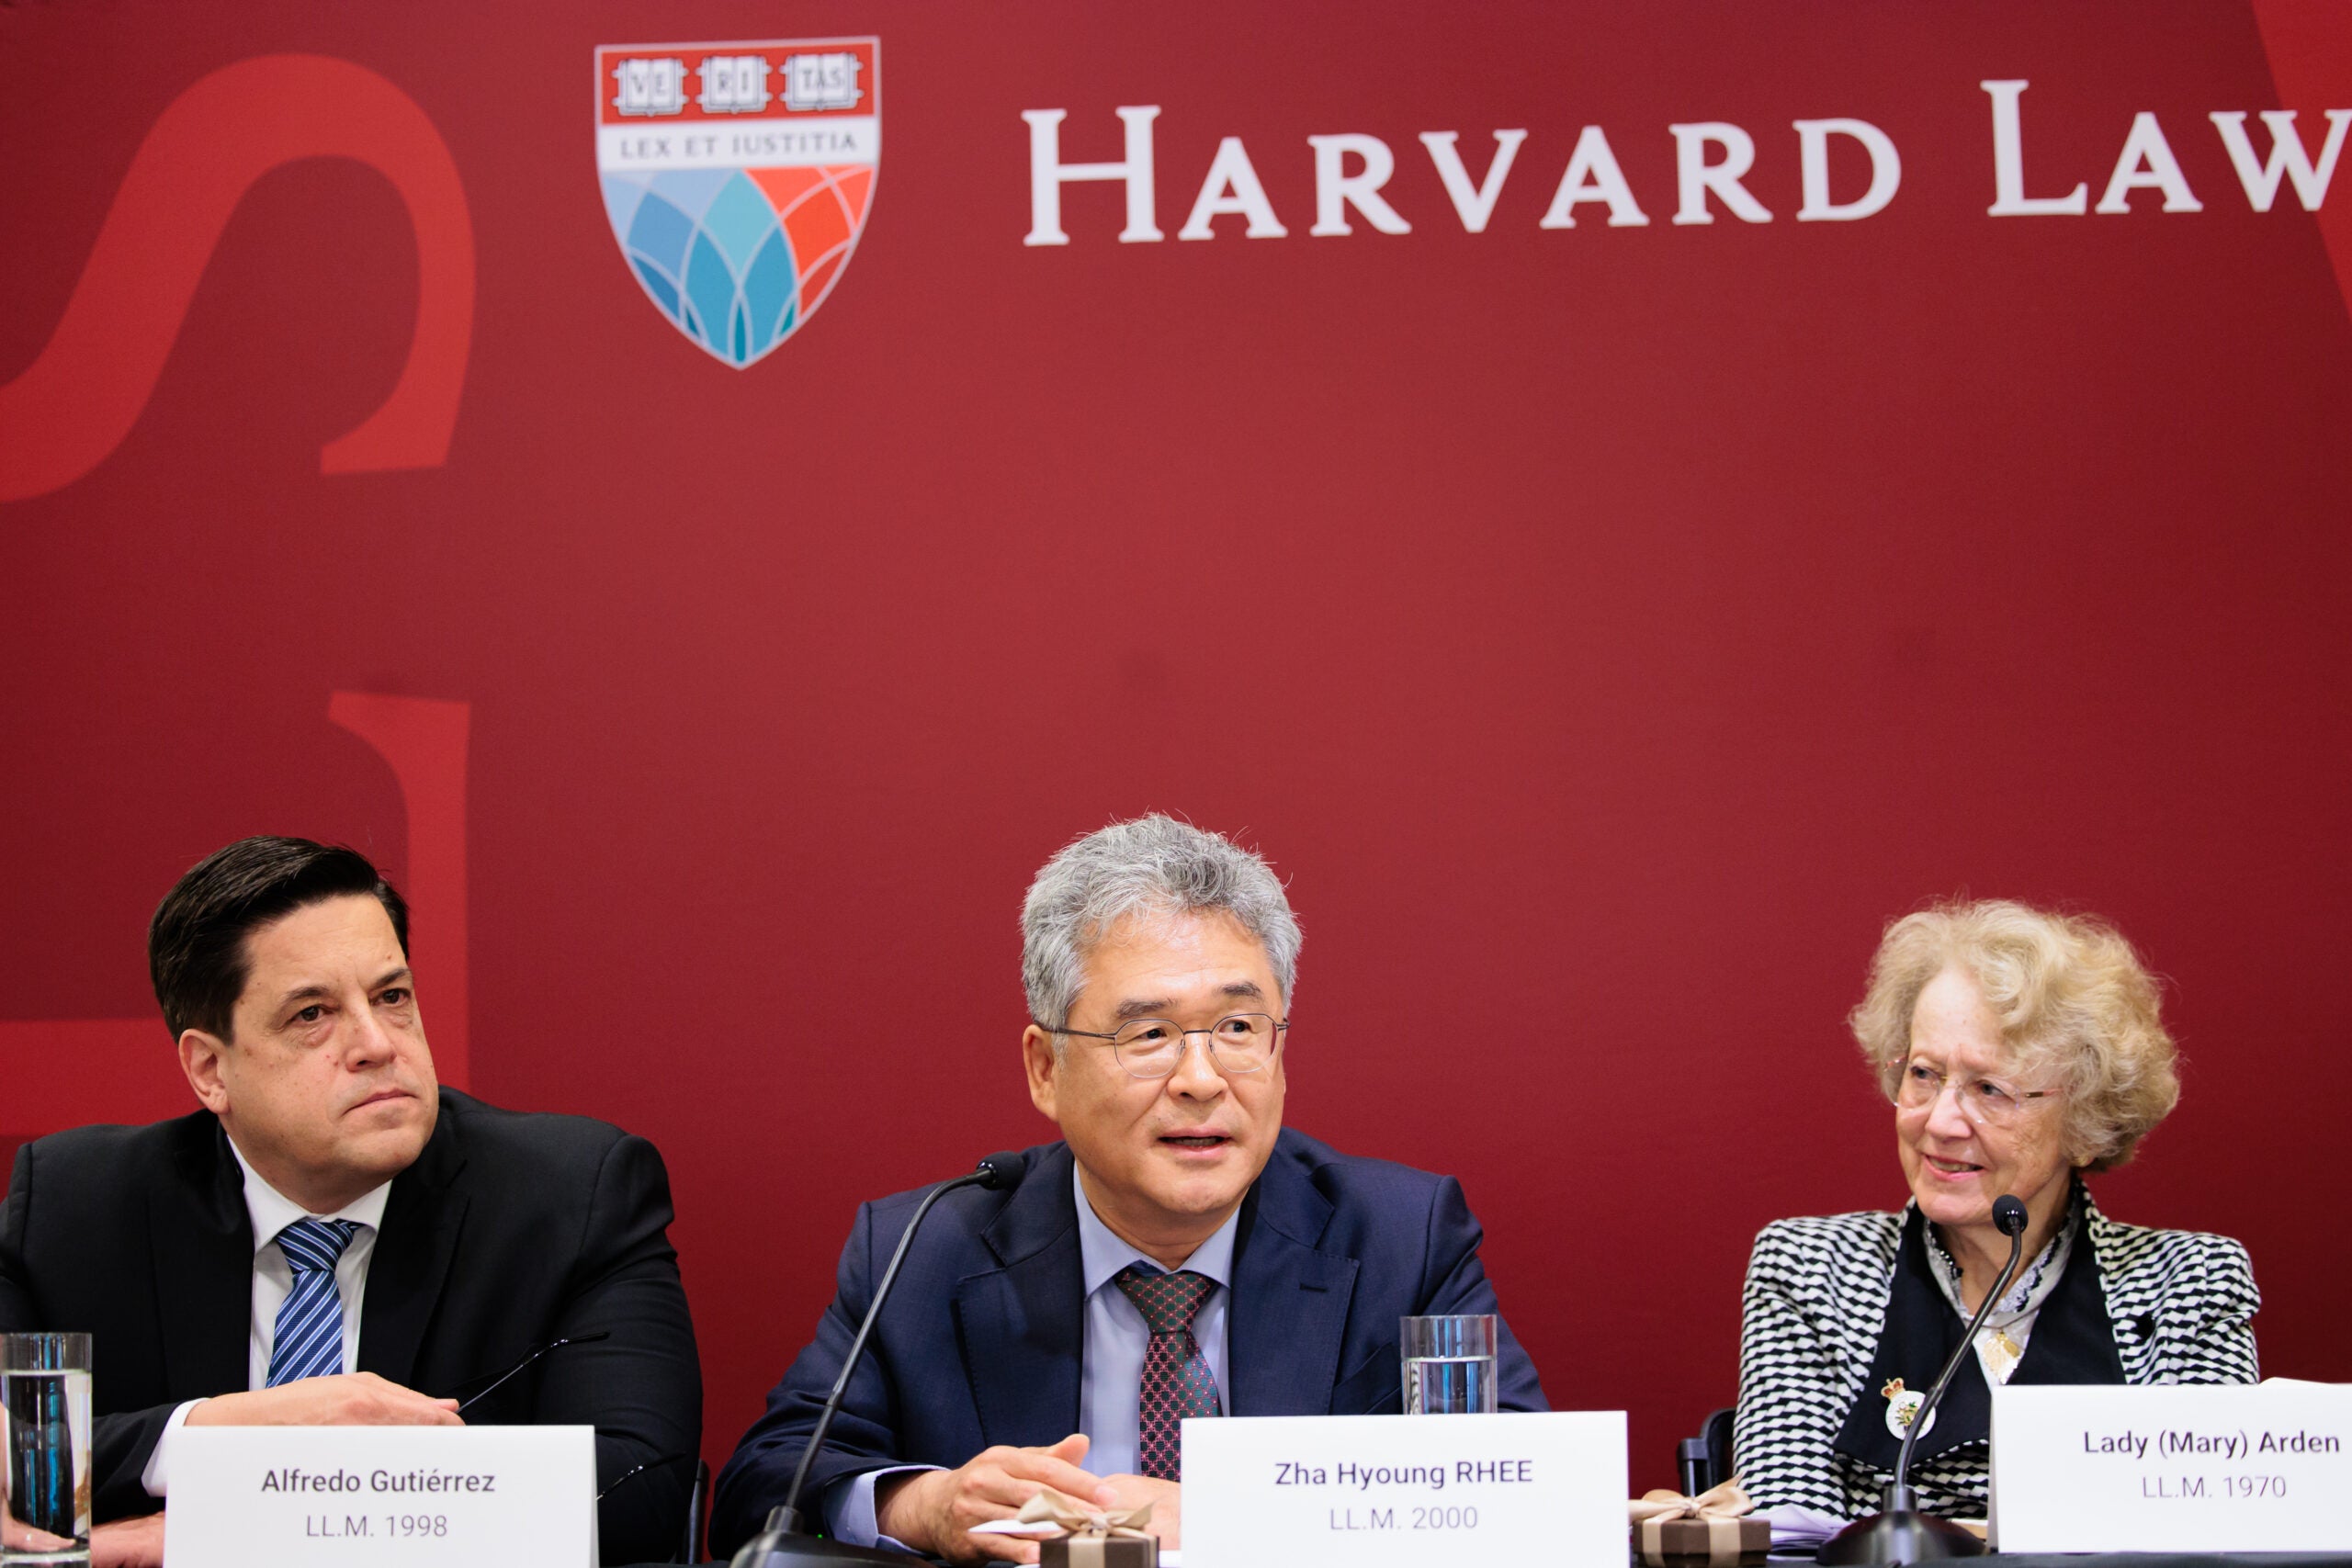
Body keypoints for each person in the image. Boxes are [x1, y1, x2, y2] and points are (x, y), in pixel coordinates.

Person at [712, 815, 1545, 1562]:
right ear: (1046, 1067)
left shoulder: (1402, 1239)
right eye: (1149, 1033)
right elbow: (766, 1482)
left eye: (1238, 1027)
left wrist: (1233, 1517)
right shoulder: (920, 1250)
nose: (1201, 1078)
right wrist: (924, 1506)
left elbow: (1523, 1494)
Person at [0, 837, 702, 1567]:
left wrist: (232, 1531)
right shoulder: (74, 1210)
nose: (377, 1043)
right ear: (210, 1069)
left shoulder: (572, 1197)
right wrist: (229, 1430)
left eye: (392, 997)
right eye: (312, 1013)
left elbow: (637, 1488)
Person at [1733, 899, 2258, 1521]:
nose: (1940, 1121)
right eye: (1924, 1073)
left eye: (1990, 1089)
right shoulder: (1809, 1271)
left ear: (2087, 1122)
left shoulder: (2189, 1283)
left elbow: (2211, 1529)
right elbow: (1791, 1535)